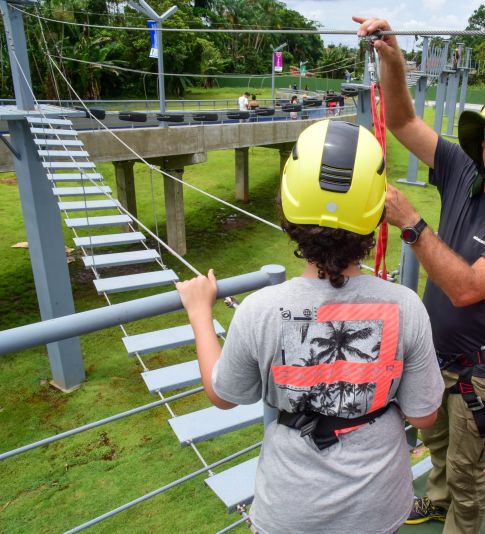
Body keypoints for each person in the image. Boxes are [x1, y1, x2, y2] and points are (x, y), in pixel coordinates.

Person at [176, 119, 444, 534]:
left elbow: (223, 393)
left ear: (288, 205)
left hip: (291, 509)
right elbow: (424, 416)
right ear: (376, 213)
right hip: (378, 504)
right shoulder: (406, 306)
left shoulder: (260, 309)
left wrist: (199, 314)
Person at [355, 16, 485, 533]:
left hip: (482, 374)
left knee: (470, 480)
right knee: (439, 447)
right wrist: (393, 59)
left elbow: (467, 288)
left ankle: (456, 511)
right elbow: (402, 123)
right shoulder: (463, 170)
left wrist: (412, 225)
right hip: (436, 356)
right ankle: (438, 497)